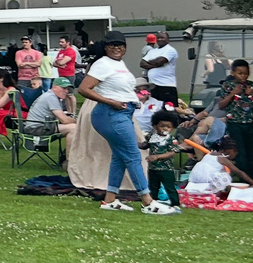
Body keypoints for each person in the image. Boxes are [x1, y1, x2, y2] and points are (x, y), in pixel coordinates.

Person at [78, 29, 148, 211]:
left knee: (120, 157)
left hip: (122, 113)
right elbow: (83, 89)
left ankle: (109, 200)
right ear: (106, 47)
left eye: (120, 45)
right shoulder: (102, 64)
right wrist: (111, 102)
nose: (117, 48)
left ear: (125, 47)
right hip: (111, 113)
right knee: (133, 156)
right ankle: (148, 202)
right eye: (112, 45)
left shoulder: (118, 63)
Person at [209, 59, 253, 175]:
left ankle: (252, 174)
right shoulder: (228, 85)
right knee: (240, 151)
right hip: (234, 122)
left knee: (250, 150)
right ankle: (243, 175)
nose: (243, 76)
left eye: (246, 73)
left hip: (249, 122)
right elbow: (221, 105)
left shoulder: (252, 86)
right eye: (240, 73)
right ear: (233, 73)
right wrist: (232, 93)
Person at [141, 110, 183, 214]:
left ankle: (175, 203)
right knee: (153, 187)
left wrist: (157, 157)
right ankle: (152, 202)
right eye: (162, 126)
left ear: (172, 128)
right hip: (153, 168)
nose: (165, 129)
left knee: (170, 187)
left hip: (166, 168)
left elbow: (172, 152)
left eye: (168, 127)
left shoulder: (171, 139)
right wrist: (136, 144)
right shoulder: (152, 137)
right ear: (155, 126)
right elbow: (145, 145)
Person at [140, 34, 180, 108]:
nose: (160, 39)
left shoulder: (170, 50)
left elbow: (160, 61)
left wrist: (150, 63)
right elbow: (142, 63)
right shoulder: (152, 51)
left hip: (166, 85)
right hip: (153, 85)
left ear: (168, 39)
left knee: (169, 109)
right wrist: (154, 66)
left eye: (162, 38)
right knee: (154, 109)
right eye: (158, 38)